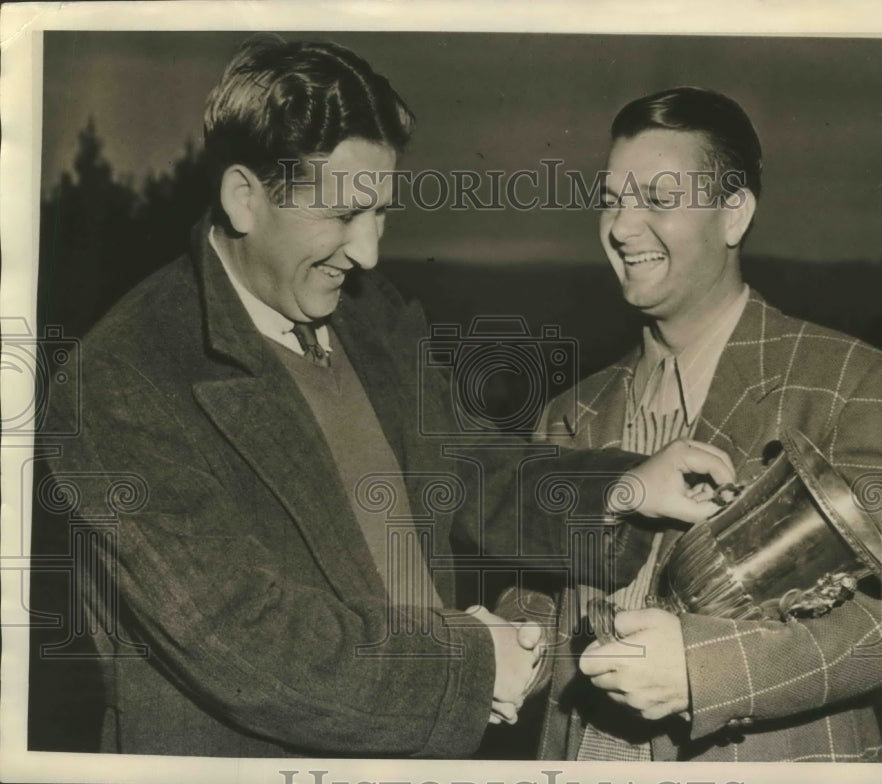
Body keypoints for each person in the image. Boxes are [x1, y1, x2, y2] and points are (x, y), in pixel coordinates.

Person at [38, 39, 734, 758]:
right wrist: (471, 667)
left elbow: (466, 467)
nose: (368, 253)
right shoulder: (123, 381)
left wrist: (622, 488)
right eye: (343, 217)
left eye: (382, 216)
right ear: (245, 197)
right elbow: (243, 640)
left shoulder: (368, 314)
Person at [533, 87, 882, 762]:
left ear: (734, 214)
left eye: (658, 200)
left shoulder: (852, 380)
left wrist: (699, 669)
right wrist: (516, 635)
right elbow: (546, 603)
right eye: (612, 199)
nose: (622, 228)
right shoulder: (567, 414)